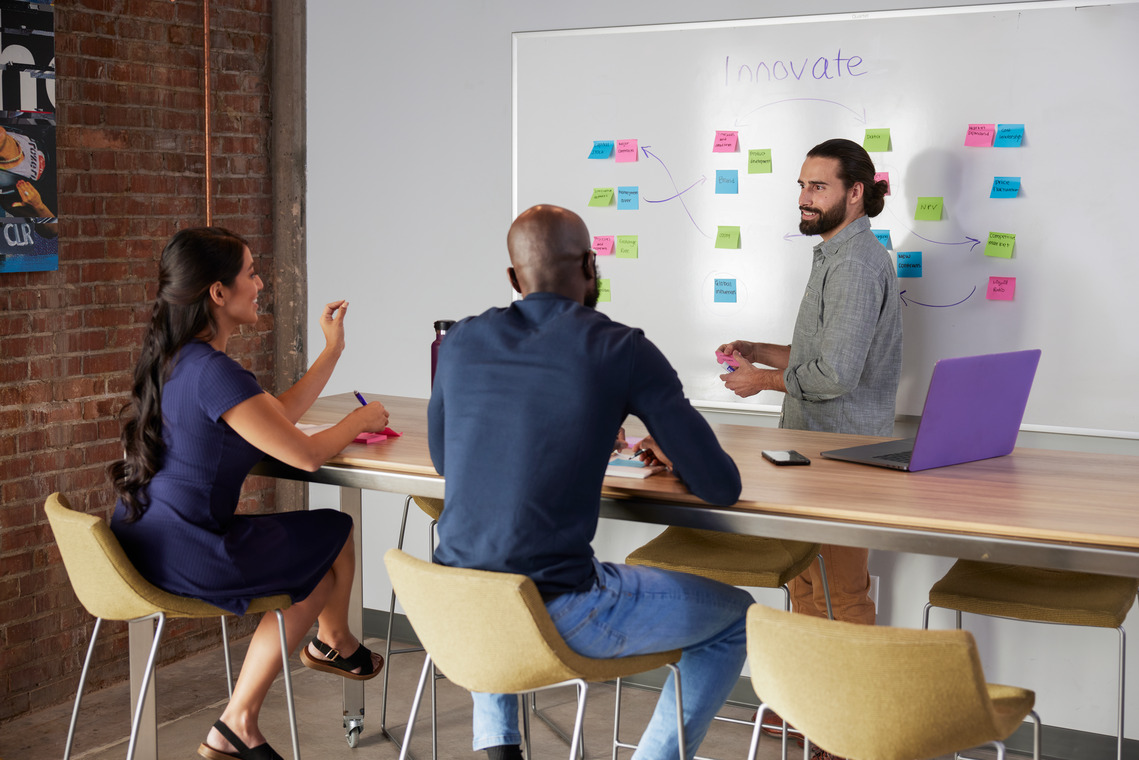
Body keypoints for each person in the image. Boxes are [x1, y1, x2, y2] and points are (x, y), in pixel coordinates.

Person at [429, 205, 752, 760]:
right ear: (590, 265)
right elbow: (720, 486)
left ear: (513, 279)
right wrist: (668, 446)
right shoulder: (620, 348)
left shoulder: (459, 339)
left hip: (458, 607)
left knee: (490, 567)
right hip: (561, 609)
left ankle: (502, 752)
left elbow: (444, 459)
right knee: (737, 618)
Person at [109, 227, 391, 760]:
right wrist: (362, 419)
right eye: (251, 274)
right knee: (333, 533)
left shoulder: (180, 358)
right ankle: (247, 715)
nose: (261, 283)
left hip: (143, 538)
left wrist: (332, 351)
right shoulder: (215, 371)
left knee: (324, 545)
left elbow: (277, 417)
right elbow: (305, 454)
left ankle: (331, 648)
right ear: (218, 293)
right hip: (190, 552)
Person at [717, 139, 902, 757]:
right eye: (801, 185)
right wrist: (764, 353)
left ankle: (845, 728)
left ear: (856, 192)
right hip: (810, 450)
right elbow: (823, 360)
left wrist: (761, 381)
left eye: (817, 187)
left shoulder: (854, 263)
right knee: (805, 581)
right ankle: (810, 708)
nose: (803, 198)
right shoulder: (833, 255)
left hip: (841, 455)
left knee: (840, 591)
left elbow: (837, 378)